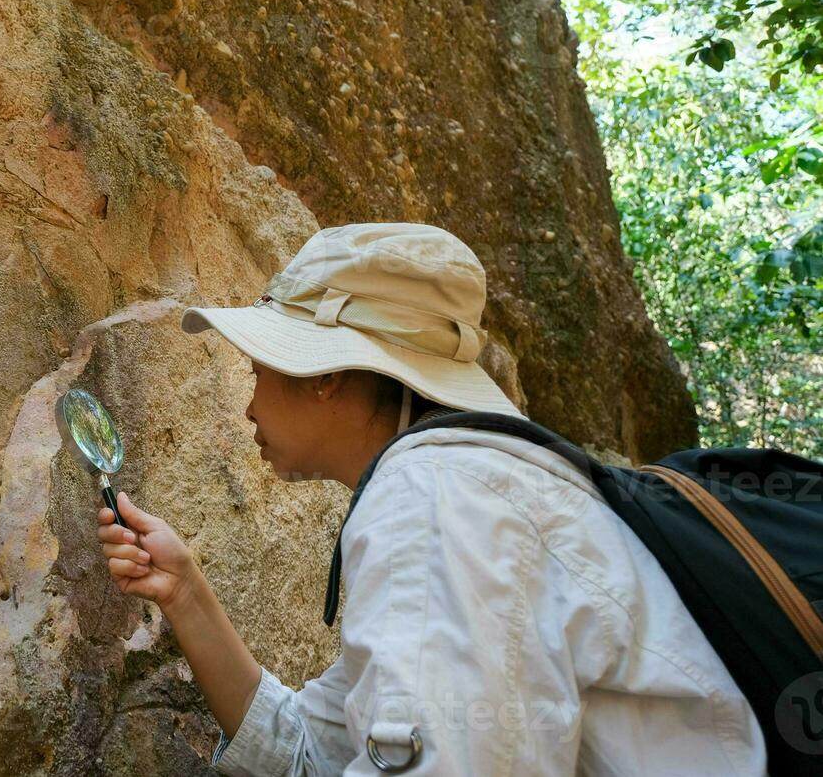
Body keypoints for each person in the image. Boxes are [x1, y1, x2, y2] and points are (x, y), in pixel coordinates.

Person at [97, 222, 766, 775]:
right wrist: (186, 593)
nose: (248, 405)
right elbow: (310, 750)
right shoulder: (464, 488)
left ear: (324, 375)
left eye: (259, 369)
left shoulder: (438, 499)